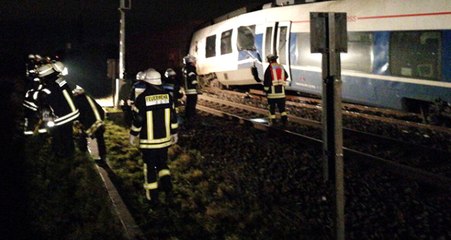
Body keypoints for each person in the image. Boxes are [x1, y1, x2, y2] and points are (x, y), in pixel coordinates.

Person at [129, 68, 178, 207]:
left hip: (148, 143)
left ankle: (152, 197)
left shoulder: (142, 98)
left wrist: (133, 135)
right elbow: (173, 118)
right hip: (164, 141)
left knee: (149, 167)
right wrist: (174, 133)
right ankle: (168, 190)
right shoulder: (168, 96)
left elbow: (138, 120)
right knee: (163, 165)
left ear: (147, 82)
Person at [36, 60, 80, 157]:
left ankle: (60, 154)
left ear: (43, 76)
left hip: (62, 116)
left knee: (58, 135)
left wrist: (46, 118)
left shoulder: (47, 88)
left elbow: (44, 105)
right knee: (68, 134)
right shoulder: (61, 80)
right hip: (74, 112)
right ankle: (70, 153)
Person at [72, 85, 107, 163]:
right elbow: (100, 109)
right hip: (99, 121)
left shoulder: (77, 101)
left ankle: (83, 153)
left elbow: (78, 114)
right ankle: (103, 156)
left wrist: (79, 123)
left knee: (82, 136)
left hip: (89, 122)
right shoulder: (89, 98)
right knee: (100, 139)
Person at [263, 54, 289, 126]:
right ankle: (285, 121)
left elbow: (266, 81)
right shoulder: (281, 67)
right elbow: (286, 76)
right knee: (282, 109)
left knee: (272, 109)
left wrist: (266, 90)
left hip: (272, 94)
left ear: (270, 60)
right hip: (281, 93)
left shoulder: (269, 68)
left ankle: (273, 122)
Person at [182, 54, 198, 122]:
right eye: (194, 61)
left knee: (188, 104)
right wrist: (196, 84)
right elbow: (193, 78)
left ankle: (187, 116)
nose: (195, 62)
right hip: (192, 90)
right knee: (192, 104)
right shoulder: (191, 68)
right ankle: (191, 117)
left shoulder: (184, 68)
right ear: (191, 62)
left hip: (187, 89)